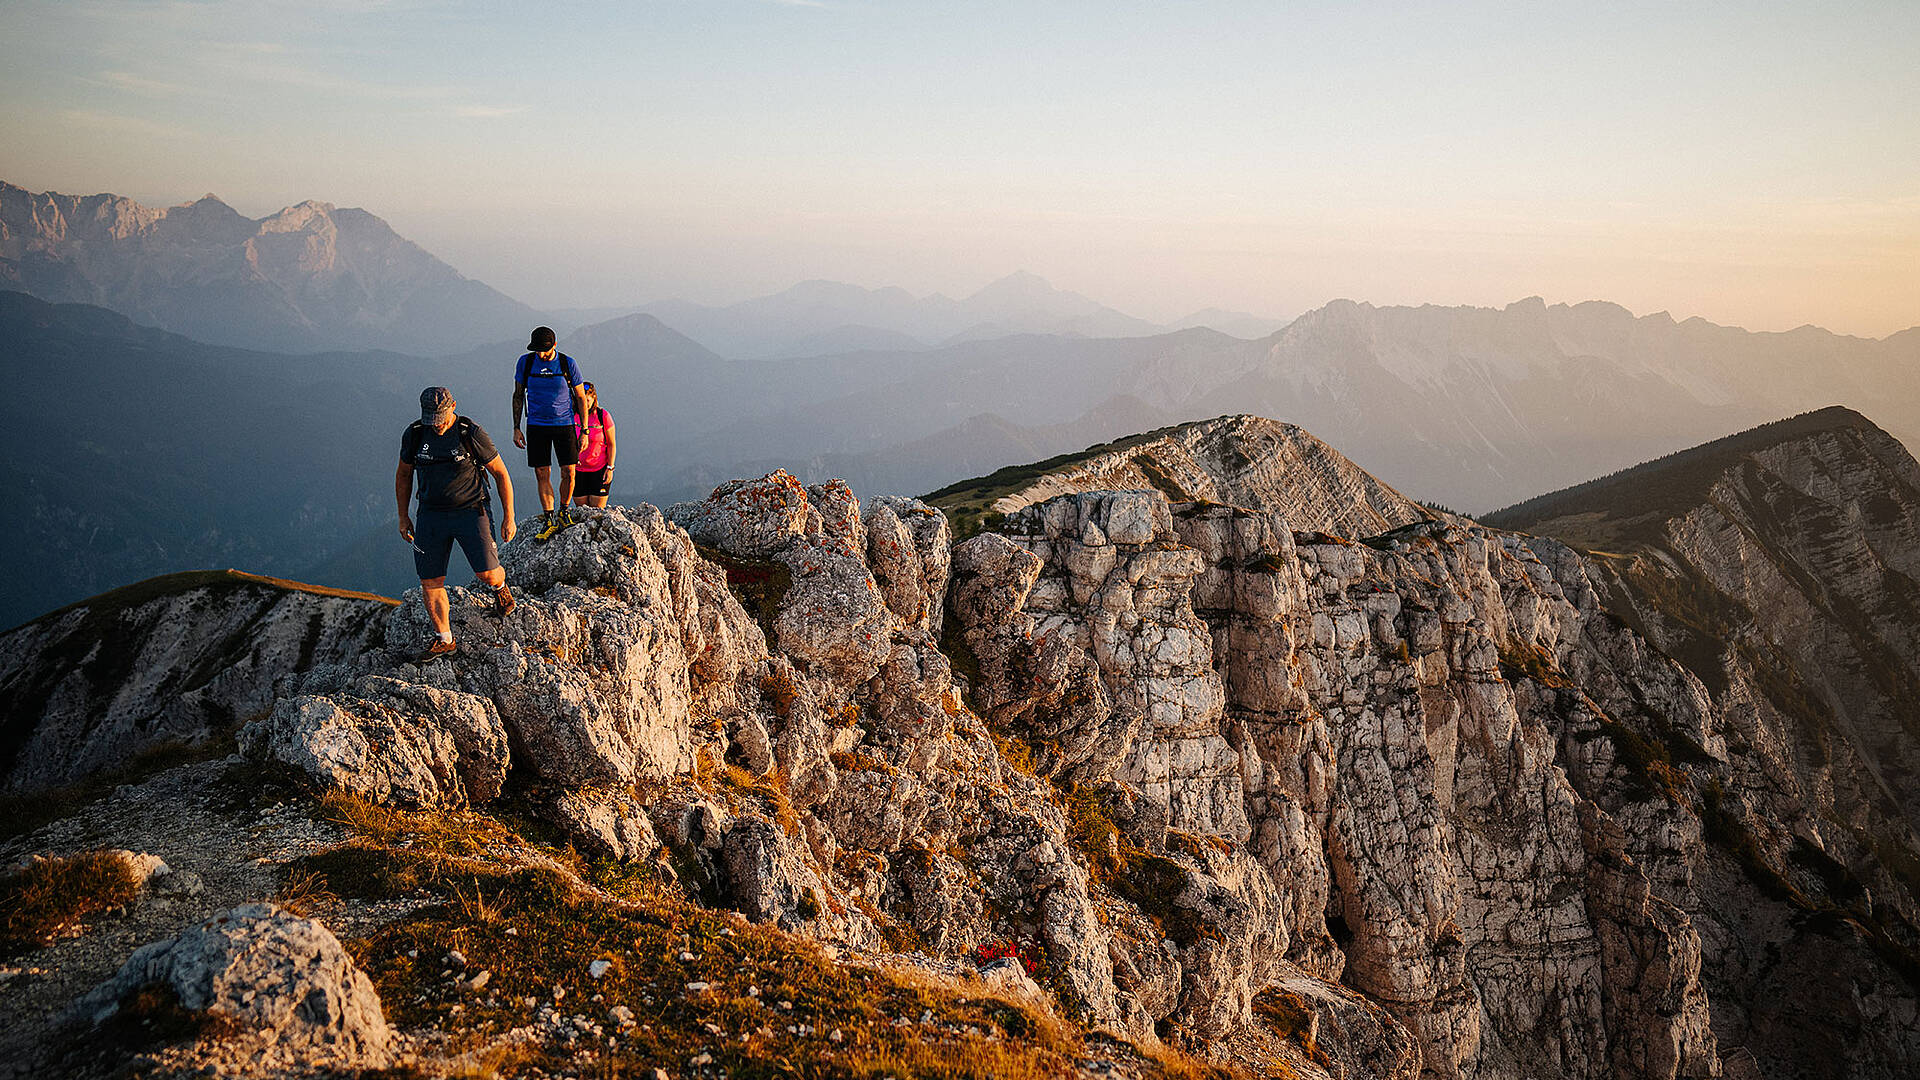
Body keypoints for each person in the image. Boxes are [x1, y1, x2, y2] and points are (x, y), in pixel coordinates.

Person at [397, 387, 516, 657]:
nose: (436, 424)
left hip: (471, 510)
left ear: (453, 407)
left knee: (486, 573)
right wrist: (403, 516)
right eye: (431, 418)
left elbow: (500, 474)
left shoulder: (470, 433)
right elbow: (403, 475)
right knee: (430, 580)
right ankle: (444, 638)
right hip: (430, 514)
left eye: (440, 417)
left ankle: (500, 587)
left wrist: (509, 516)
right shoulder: (415, 434)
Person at [511, 325, 588, 542]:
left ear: (555, 345)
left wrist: (584, 430)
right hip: (536, 425)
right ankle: (549, 517)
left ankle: (564, 511)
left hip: (564, 424)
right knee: (542, 473)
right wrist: (516, 427)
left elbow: (581, 397)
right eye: (537, 350)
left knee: (569, 472)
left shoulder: (567, 364)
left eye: (544, 350)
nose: (541, 355)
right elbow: (518, 395)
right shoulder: (525, 363)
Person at [571, 381, 616, 509]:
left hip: (599, 470)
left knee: (597, 513)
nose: (584, 405)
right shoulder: (572, 416)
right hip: (578, 471)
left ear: (594, 398)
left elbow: (612, 444)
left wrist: (610, 468)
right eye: (581, 401)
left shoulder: (603, 416)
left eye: (587, 400)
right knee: (583, 514)